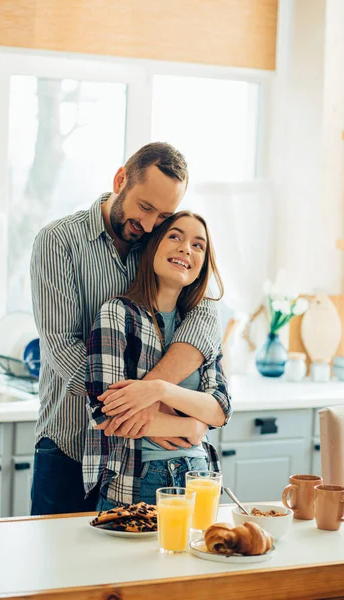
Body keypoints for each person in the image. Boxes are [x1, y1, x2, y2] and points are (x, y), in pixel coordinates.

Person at [30, 142, 221, 515]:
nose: (149, 225)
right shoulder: (58, 241)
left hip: (133, 463)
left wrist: (154, 395)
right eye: (145, 207)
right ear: (120, 180)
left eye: (162, 216)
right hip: (68, 442)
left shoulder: (159, 242)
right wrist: (130, 415)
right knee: (55, 567)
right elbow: (60, 346)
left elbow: (203, 312)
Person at [84, 211, 232, 509]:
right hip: (137, 478)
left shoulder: (199, 325)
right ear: (153, 246)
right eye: (175, 236)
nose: (186, 248)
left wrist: (160, 390)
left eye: (198, 245)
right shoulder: (118, 314)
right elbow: (107, 414)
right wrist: (190, 427)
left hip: (200, 476)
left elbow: (219, 409)